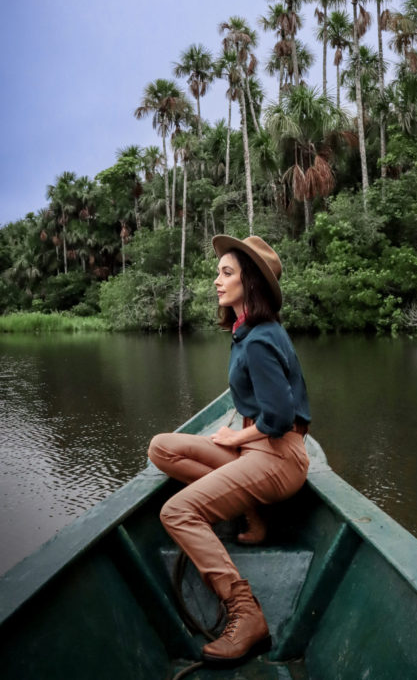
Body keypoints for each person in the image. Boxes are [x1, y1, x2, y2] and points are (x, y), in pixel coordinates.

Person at [147, 235, 311, 666]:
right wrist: (241, 431)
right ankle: (249, 509)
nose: (215, 281)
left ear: (249, 281)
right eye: (217, 272)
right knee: (161, 448)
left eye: (226, 273)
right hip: (260, 451)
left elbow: (281, 417)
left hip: (278, 458)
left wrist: (237, 437)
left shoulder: (258, 340)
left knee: (177, 512)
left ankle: (246, 613)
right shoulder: (248, 332)